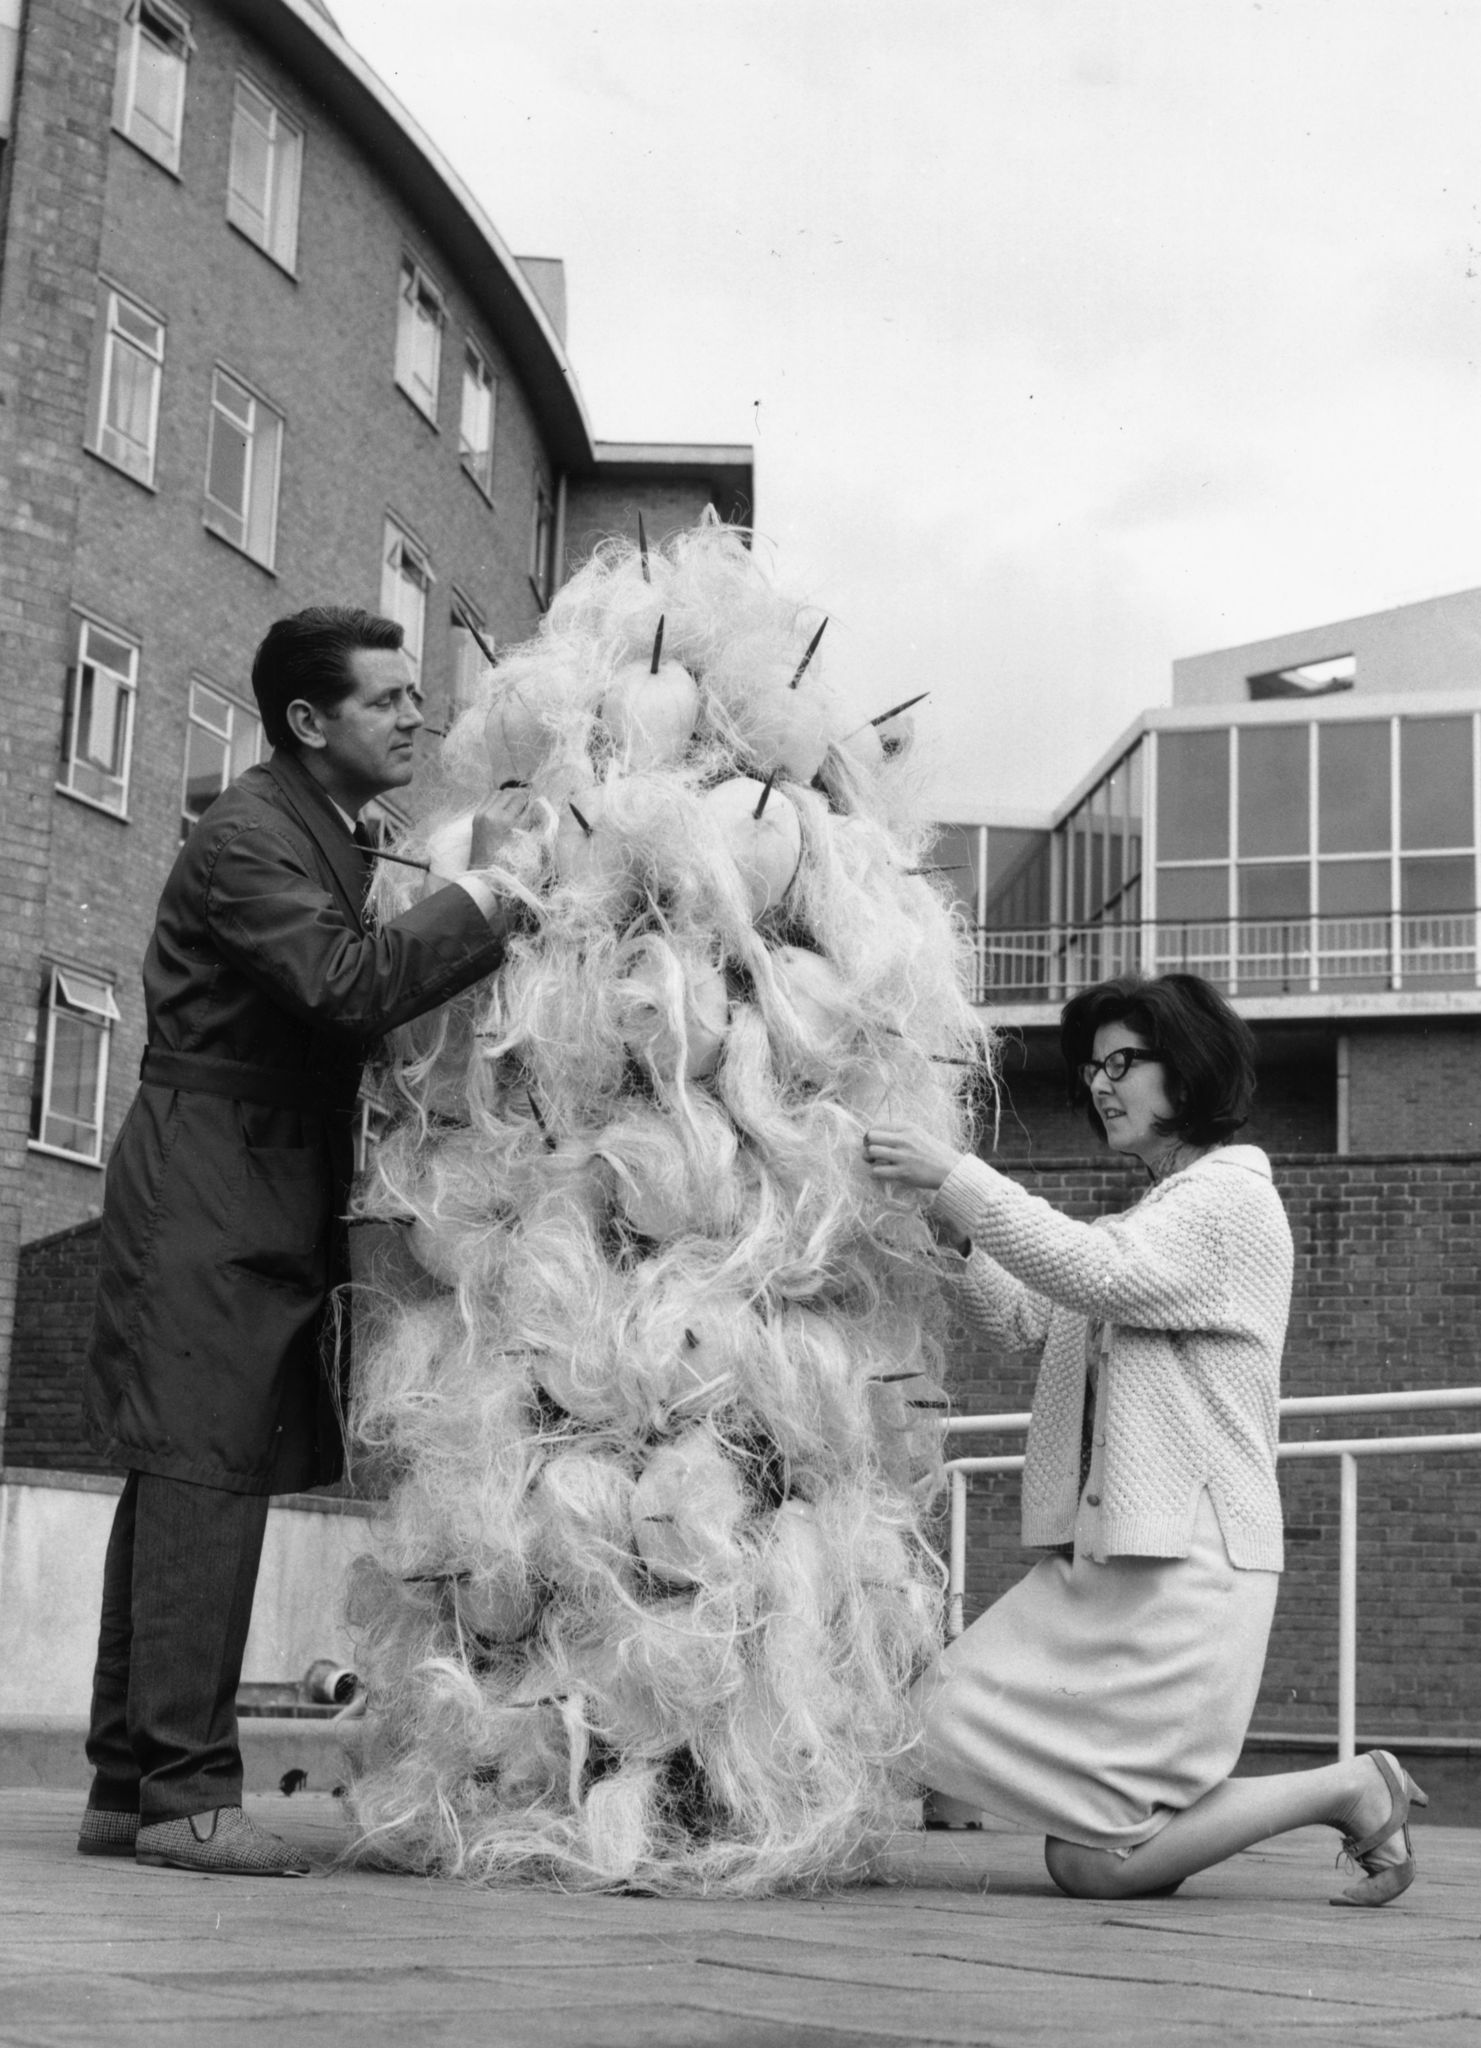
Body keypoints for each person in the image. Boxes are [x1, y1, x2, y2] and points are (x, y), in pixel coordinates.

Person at [78, 606, 530, 1878]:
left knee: (187, 1472)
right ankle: (180, 1790)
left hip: (257, 1168)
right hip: (216, 1167)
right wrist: (490, 894)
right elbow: (345, 981)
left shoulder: (319, 828)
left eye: (410, 696)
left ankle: (131, 1780)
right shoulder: (248, 838)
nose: (412, 715)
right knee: (201, 1469)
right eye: (385, 698)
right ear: (306, 721)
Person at [864, 972, 1427, 1908]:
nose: (1099, 1083)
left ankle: (1349, 1788)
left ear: (1191, 1065)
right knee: (1073, 1845)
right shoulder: (1152, 1221)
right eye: (1090, 1067)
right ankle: (1351, 1787)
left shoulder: (1232, 1200)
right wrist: (950, 1235)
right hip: (1119, 1566)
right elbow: (1028, 1320)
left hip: (1188, 1571)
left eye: (1123, 1061)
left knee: (1079, 1849)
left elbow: (1093, 1271)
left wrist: (955, 1179)